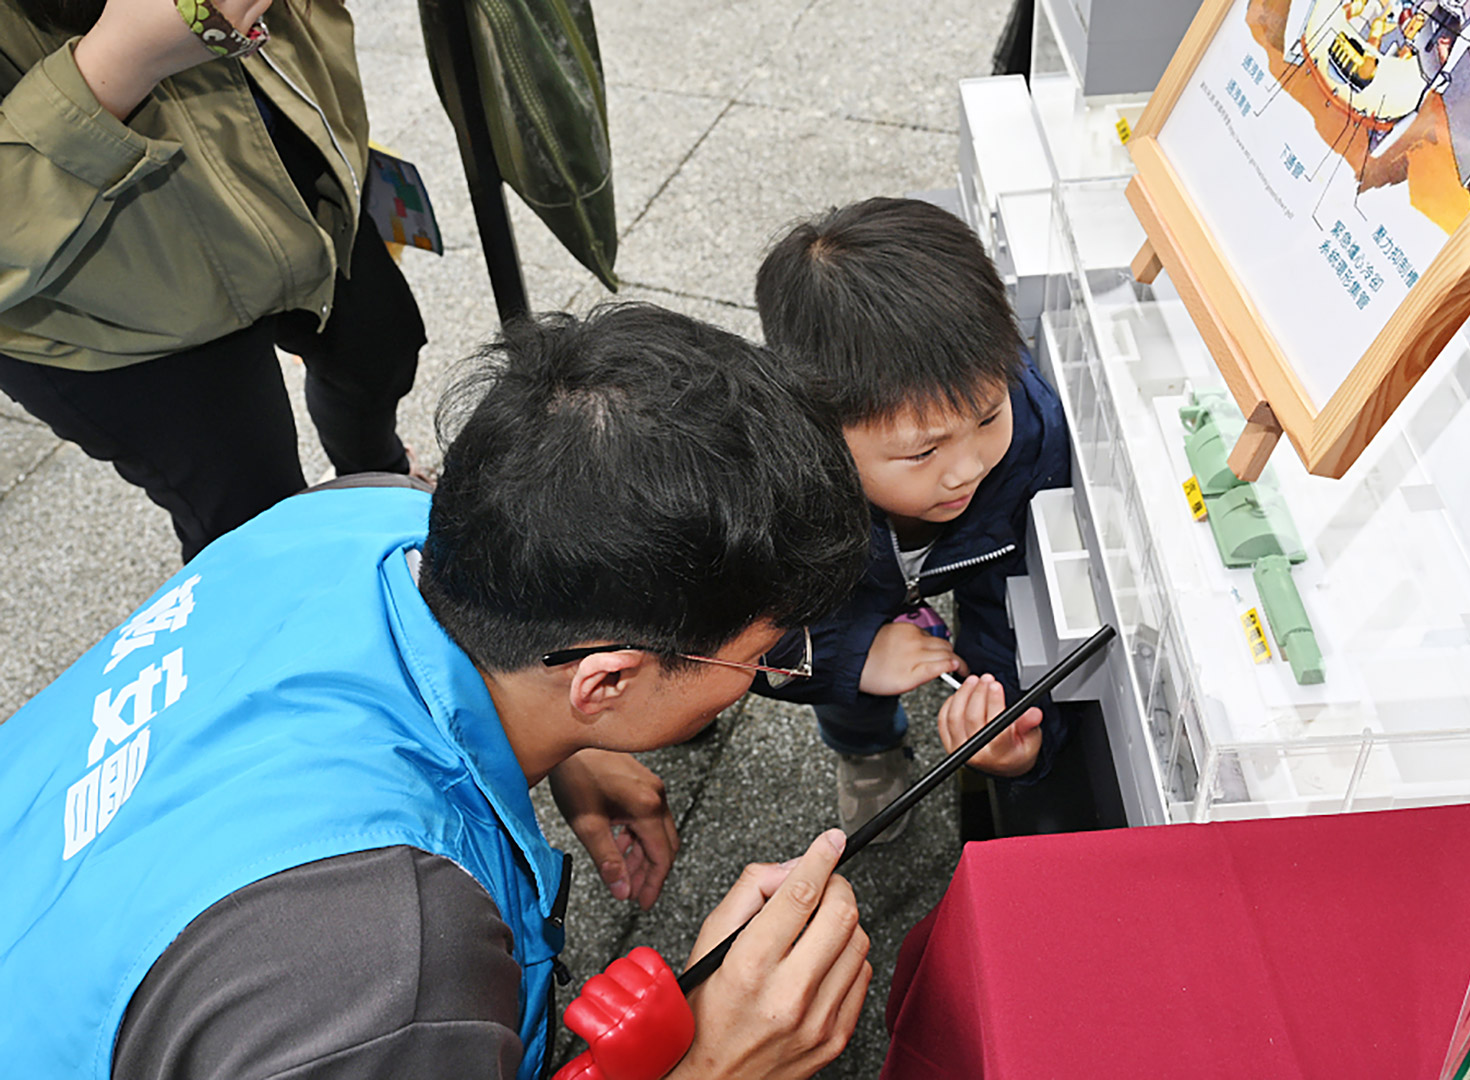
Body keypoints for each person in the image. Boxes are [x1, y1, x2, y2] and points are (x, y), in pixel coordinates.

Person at [0, 304, 879, 1080]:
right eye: (766, 654)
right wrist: (720, 1067)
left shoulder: (363, 513)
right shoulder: (391, 979)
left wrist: (568, 745)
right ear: (603, 680)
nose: (771, 672)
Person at [0, 0, 428, 561]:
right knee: (249, 514)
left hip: (292, 161)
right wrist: (118, 64)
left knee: (380, 350)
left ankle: (378, 479)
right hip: (97, 299)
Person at [753, 196, 1073, 840]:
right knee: (858, 676)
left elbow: (1010, 600)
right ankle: (868, 752)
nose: (964, 469)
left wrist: (1010, 717)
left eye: (987, 416)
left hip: (931, 567)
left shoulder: (1029, 440)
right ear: (817, 431)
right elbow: (730, 642)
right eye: (922, 452)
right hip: (833, 586)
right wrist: (852, 660)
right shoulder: (765, 500)